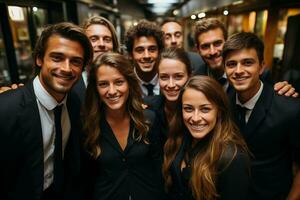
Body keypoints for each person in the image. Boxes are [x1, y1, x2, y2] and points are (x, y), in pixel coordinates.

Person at [0, 22, 93, 200]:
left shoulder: (75, 102)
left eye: (75, 61)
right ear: (39, 59)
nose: (66, 68)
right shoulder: (5, 110)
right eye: (57, 58)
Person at [223, 32, 300, 200]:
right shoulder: (222, 103)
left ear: (262, 66)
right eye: (231, 64)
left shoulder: (289, 108)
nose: (238, 71)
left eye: (247, 63)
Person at [81, 52, 165, 200]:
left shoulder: (148, 119)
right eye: (103, 84)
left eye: (119, 82)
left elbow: (159, 169)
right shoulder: (89, 126)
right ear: (95, 88)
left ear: (129, 83)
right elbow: (86, 178)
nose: (112, 91)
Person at [163, 75, 250, 200]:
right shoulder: (180, 137)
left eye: (205, 109)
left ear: (219, 111)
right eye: (188, 109)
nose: (195, 118)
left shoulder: (233, 158)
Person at [194, 17, 299, 97]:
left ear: (227, 43)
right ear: (198, 50)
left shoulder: (259, 73)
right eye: (205, 46)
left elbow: (271, 101)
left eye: (217, 43)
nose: (213, 51)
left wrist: (283, 91)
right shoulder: (196, 77)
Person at [144, 47, 192, 144]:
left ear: (189, 76)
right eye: (164, 77)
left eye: (178, 76)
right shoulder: (148, 107)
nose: (171, 85)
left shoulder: (197, 111)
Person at [72, 16, 120, 102]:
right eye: (93, 39)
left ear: (114, 46)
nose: (101, 44)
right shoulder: (71, 83)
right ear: (83, 45)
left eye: (107, 39)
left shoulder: (124, 80)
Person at [124, 19, 164, 97]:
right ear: (130, 55)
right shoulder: (126, 84)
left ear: (159, 52)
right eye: (140, 50)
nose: (146, 56)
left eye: (152, 49)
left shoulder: (169, 83)